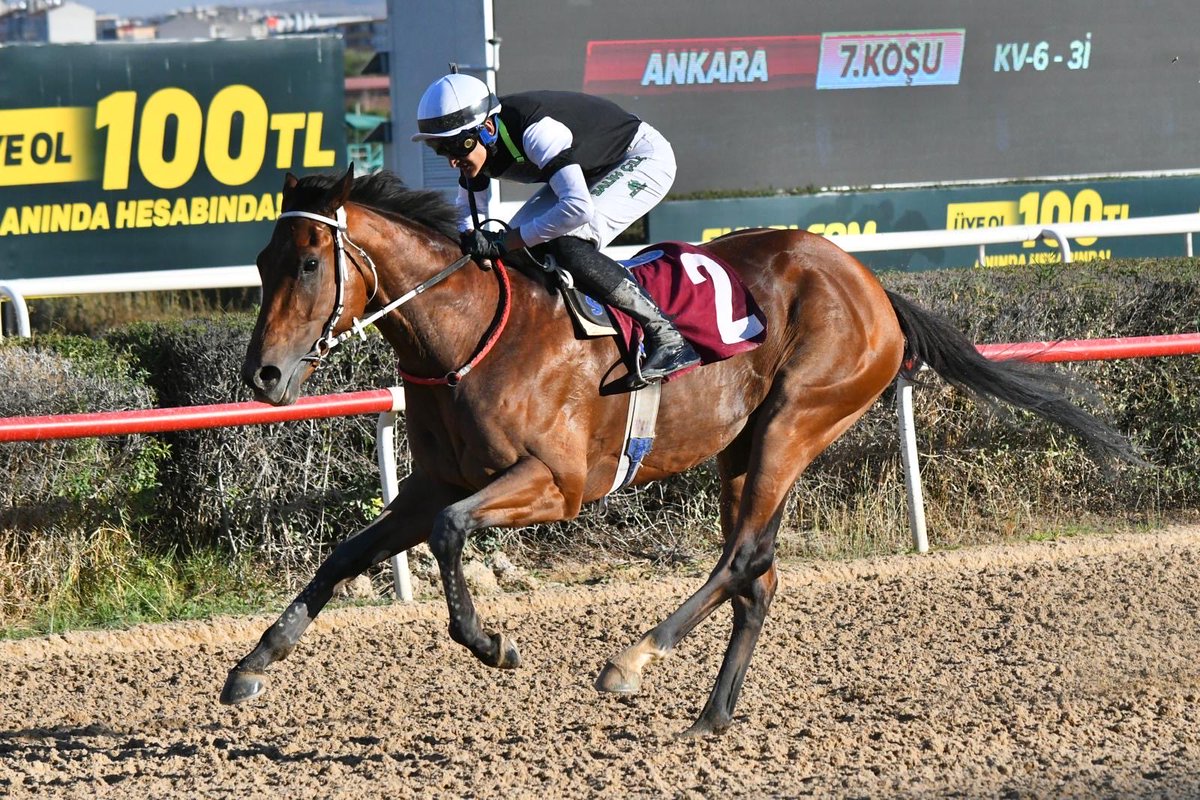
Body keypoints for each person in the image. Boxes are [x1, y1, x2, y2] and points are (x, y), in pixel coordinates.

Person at [411, 71, 700, 384]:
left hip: (639, 156)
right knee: (516, 256)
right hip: (588, 169)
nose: (452, 160)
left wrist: (507, 241)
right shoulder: (479, 149)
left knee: (567, 242)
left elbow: (577, 209)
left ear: (488, 129)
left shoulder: (537, 132)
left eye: (456, 146)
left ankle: (667, 337)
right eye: (442, 150)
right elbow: (470, 213)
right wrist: (472, 241)